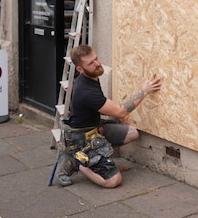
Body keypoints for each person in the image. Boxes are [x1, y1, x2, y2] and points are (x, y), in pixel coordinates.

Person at [55, 44, 161, 188]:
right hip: (82, 139)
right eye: (91, 63)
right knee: (113, 181)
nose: (97, 64)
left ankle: (96, 158)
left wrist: (115, 113)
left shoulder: (91, 76)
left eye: (96, 58)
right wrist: (144, 91)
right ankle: (78, 161)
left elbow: (101, 107)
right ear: (80, 69)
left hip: (94, 129)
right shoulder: (86, 90)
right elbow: (121, 111)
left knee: (132, 133)